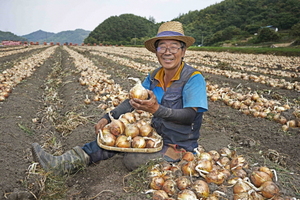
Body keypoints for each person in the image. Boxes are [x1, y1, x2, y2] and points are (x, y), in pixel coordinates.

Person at [31, 21, 208, 175]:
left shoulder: (193, 78)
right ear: (156, 51)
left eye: (174, 46)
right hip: (155, 136)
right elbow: (131, 103)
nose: (167, 52)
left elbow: (190, 116)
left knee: (132, 159)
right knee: (112, 138)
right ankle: (61, 163)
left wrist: (157, 110)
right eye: (162, 46)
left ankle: (175, 166)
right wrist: (108, 117)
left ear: (183, 51)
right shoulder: (155, 76)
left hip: (178, 146)